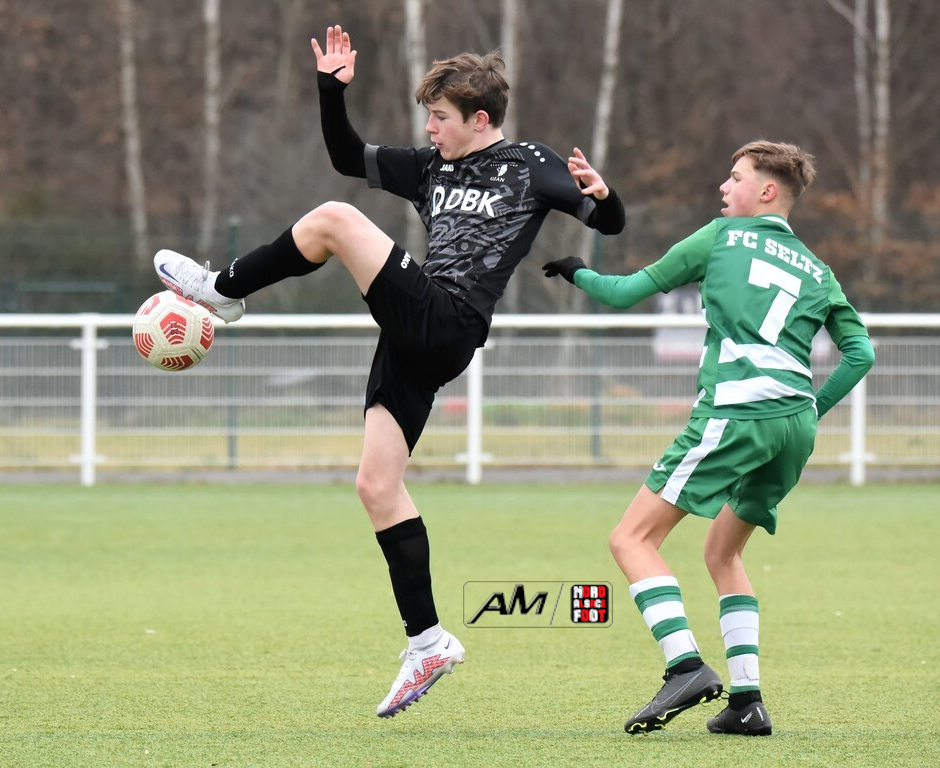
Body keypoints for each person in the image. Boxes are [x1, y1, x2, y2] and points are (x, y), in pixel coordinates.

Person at [154, 25, 625, 718]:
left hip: (449, 319)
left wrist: (604, 197)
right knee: (376, 486)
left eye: (440, 117)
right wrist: (330, 90)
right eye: (428, 116)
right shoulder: (430, 166)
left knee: (336, 220)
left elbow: (609, 223)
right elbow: (347, 155)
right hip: (412, 333)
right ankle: (428, 641)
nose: (430, 129)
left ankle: (221, 291)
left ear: (480, 119)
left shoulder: (531, 165)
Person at [543, 140, 874, 735]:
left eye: (735, 177)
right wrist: (810, 409)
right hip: (794, 428)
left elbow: (624, 292)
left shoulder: (721, 236)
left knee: (631, 539)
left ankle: (685, 667)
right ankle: (747, 702)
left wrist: (577, 272)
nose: (724, 187)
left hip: (736, 412)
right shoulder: (818, 270)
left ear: (766, 191)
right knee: (723, 552)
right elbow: (860, 354)